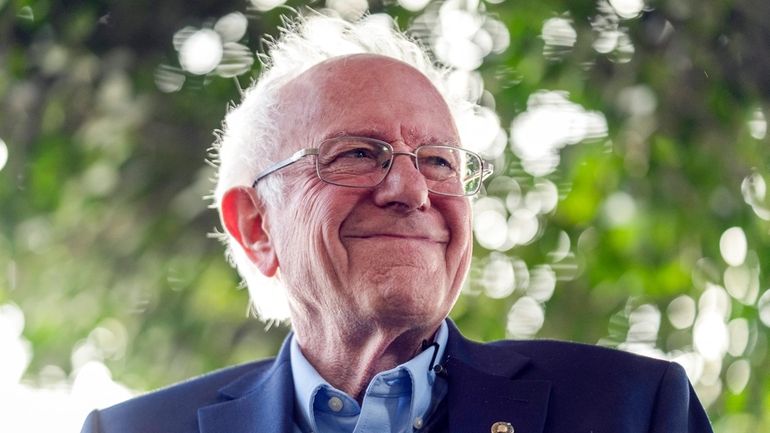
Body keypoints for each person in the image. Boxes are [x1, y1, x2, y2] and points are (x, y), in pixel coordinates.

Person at [80, 13, 714, 433]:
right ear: (256, 226)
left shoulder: (633, 410)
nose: (413, 189)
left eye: (438, 161)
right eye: (357, 153)